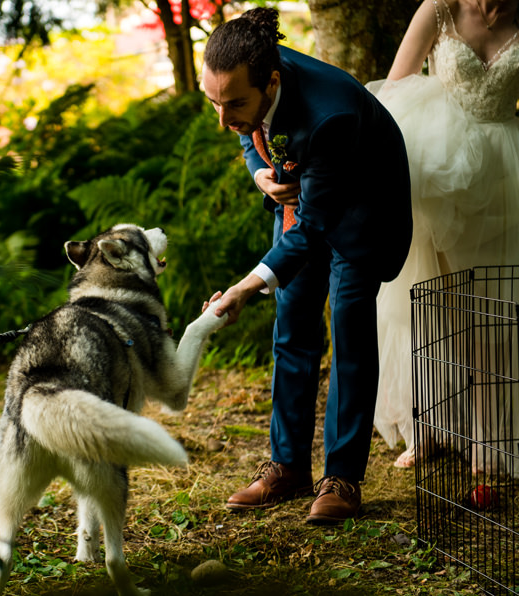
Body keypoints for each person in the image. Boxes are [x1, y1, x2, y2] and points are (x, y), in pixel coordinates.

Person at [199, 8, 413, 524]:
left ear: (271, 82)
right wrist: (259, 174)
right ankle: (287, 465)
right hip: (303, 197)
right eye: (214, 103)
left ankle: (342, 477)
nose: (223, 118)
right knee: (292, 325)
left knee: (349, 332)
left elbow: (316, 227)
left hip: (362, 208)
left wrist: (245, 286)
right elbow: (246, 130)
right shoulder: (241, 75)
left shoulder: (330, 114)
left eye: (234, 105)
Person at [369, 0, 519, 471]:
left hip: (505, 170)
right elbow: (392, 89)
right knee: (430, 297)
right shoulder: (439, 8)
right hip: (440, 166)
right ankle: (428, 426)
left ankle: (488, 430)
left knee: (494, 299)